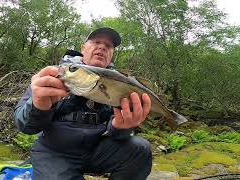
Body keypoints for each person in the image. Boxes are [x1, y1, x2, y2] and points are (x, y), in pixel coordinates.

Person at [14, 27, 153, 180]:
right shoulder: (54, 74)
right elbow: (24, 125)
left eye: (108, 46)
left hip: (97, 150)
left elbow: (117, 135)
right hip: (55, 152)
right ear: (83, 48)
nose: (102, 47)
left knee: (141, 149)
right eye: (96, 42)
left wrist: (121, 128)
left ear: (112, 54)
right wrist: (38, 107)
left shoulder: (119, 84)